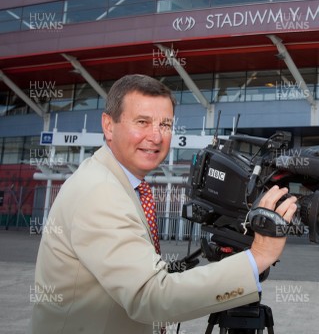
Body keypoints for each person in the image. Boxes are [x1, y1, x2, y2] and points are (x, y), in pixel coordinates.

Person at [29, 74, 297, 333]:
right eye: (142, 122)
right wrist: (259, 256)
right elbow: (151, 296)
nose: (156, 137)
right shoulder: (100, 192)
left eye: (165, 125)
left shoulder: (115, 180)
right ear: (108, 126)